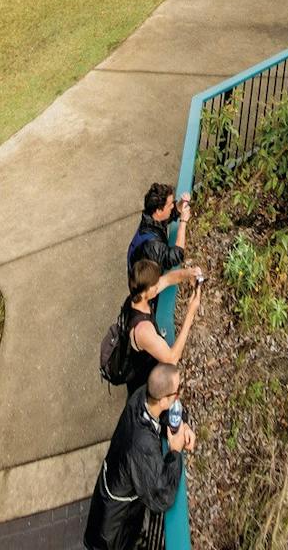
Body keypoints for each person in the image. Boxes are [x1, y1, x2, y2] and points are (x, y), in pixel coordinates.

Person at [84, 362, 193, 549]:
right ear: (164, 400)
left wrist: (183, 425)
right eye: (177, 391)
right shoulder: (142, 445)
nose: (180, 395)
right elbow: (161, 496)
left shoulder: (141, 395)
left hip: (110, 493)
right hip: (114, 525)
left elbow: (166, 412)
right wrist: (174, 451)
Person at [117, 258, 203, 394]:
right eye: (155, 285)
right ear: (145, 291)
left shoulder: (137, 297)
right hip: (144, 382)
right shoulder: (143, 330)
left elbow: (168, 279)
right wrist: (190, 314)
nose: (158, 285)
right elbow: (172, 359)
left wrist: (189, 273)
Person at [125, 183, 200, 285]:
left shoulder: (151, 218)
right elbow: (175, 256)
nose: (173, 205)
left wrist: (181, 204)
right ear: (159, 211)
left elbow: (170, 213)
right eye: (170, 205)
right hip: (145, 286)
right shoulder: (153, 245)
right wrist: (183, 222)